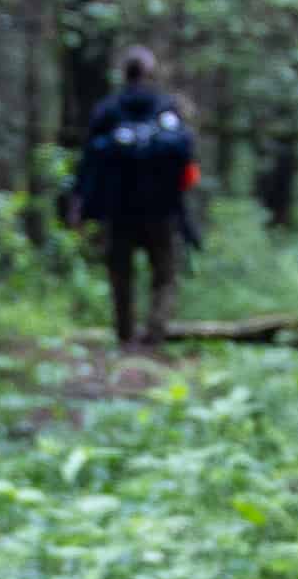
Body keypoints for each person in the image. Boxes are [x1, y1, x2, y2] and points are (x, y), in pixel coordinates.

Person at [63, 43, 202, 349]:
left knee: (120, 274)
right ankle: (154, 333)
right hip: (161, 210)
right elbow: (185, 158)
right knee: (164, 276)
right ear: (150, 73)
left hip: (118, 210)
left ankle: (125, 335)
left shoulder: (108, 110)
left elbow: (88, 162)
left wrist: (79, 203)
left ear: (124, 73)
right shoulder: (167, 109)